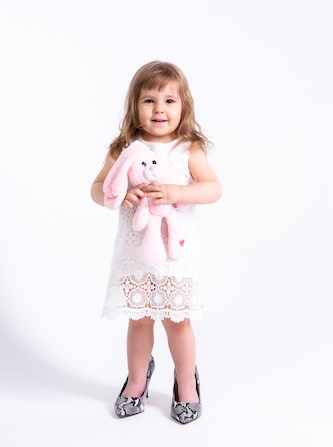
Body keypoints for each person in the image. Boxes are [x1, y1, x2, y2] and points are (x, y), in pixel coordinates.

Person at [90, 61, 221, 424]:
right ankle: (135, 381)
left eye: (169, 101)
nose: (159, 109)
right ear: (135, 107)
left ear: (184, 107)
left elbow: (213, 188)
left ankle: (185, 381)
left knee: (178, 321)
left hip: (175, 254)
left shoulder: (187, 149)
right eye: (149, 101)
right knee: (140, 318)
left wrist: (180, 190)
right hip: (137, 255)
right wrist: (120, 196)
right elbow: (97, 188)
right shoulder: (124, 148)